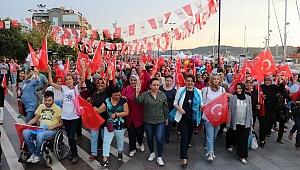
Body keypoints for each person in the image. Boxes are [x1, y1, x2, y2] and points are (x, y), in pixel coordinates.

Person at [47, 63, 84, 164]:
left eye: (70, 79)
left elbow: (82, 80)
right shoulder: (63, 88)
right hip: (65, 116)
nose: (68, 81)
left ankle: (75, 154)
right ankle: (72, 152)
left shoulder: (76, 88)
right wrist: (50, 72)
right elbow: (51, 82)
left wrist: (83, 68)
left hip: (75, 116)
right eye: (66, 79)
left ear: (73, 80)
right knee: (69, 136)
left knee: (71, 136)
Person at [134, 78, 169, 166]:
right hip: (148, 120)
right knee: (149, 137)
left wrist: (166, 117)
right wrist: (137, 92)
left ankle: (159, 156)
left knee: (159, 138)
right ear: (150, 86)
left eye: (157, 85)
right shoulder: (146, 95)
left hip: (160, 120)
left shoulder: (162, 95)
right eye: (154, 85)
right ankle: (152, 153)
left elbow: (165, 107)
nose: (156, 87)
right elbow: (138, 101)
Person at [22, 91, 63, 163]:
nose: (47, 102)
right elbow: (35, 119)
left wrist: (53, 126)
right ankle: (34, 153)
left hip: (51, 130)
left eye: (49, 100)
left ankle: (37, 155)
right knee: (25, 132)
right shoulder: (41, 106)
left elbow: (61, 123)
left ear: (53, 100)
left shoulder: (57, 109)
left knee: (40, 136)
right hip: (41, 129)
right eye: (45, 100)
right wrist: (26, 125)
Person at [94, 86, 129, 167]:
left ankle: (120, 152)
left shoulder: (123, 101)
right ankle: (105, 159)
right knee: (106, 141)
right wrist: (96, 110)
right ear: (112, 94)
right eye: (115, 95)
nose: (117, 97)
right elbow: (100, 110)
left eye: (119, 95)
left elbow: (126, 112)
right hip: (109, 124)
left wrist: (117, 115)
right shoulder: (107, 101)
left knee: (119, 140)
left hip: (120, 124)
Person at [173, 74, 203, 168]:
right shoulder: (181, 90)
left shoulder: (198, 91)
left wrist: (203, 107)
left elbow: (201, 103)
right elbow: (175, 103)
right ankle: (184, 158)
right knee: (184, 138)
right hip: (183, 118)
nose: (190, 83)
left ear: (194, 82)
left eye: (191, 81)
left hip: (193, 118)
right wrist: (180, 109)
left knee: (189, 137)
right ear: (185, 81)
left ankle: (185, 150)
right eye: (188, 81)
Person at [84, 67, 113, 159]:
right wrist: (88, 73)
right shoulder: (94, 91)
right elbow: (88, 83)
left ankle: (105, 153)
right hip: (94, 118)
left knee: (104, 137)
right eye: (98, 83)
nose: (100, 84)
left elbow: (112, 86)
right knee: (93, 136)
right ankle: (94, 153)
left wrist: (110, 75)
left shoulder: (107, 92)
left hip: (104, 118)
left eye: (102, 83)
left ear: (104, 84)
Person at [122, 62, 150, 157]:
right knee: (131, 133)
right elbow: (122, 97)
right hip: (129, 116)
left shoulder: (141, 88)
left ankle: (141, 143)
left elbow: (147, 81)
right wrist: (124, 99)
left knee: (139, 132)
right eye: (132, 80)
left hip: (139, 115)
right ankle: (132, 148)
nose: (133, 82)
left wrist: (144, 70)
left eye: (135, 80)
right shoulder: (127, 88)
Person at [201, 73, 226, 162]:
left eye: (217, 79)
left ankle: (209, 146)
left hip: (218, 116)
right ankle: (210, 153)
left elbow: (223, 103)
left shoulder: (222, 90)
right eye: (214, 79)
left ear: (219, 80)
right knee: (210, 135)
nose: (215, 80)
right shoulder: (206, 90)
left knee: (215, 134)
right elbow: (203, 103)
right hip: (208, 116)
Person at [227, 82, 253, 164]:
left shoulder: (248, 98)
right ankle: (233, 146)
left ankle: (243, 156)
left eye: (240, 88)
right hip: (236, 122)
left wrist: (251, 121)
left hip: (245, 122)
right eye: (237, 88)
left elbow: (250, 111)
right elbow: (230, 111)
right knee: (236, 137)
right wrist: (228, 123)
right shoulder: (233, 99)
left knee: (243, 139)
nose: (238, 90)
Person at [159, 75, 177, 144]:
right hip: (160, 109)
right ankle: (160, 137)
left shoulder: (174, 91)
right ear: (165, 80)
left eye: (170, 81)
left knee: (168, 125)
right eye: (167, 80)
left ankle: (167, 137)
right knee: (161, 124)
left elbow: (175, 101)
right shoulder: (161, 88)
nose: (168, 82)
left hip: (170, 109)